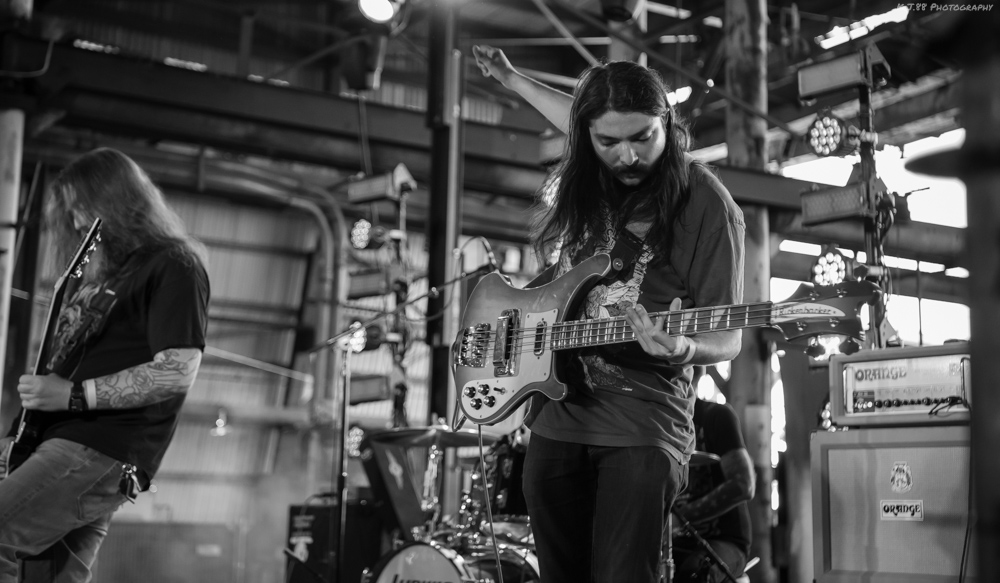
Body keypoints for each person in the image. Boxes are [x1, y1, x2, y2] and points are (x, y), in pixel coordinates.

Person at [472, 46, 746, 583]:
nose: (627, 156)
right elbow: (580, 117)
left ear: (667, 123)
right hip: (558, 415)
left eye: (643, 137)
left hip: (642, 424)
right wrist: (511, 78)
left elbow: (730, 334)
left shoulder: (705, 204)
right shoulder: (591, 173)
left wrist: (685, 348)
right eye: (608, 142)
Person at [0, 148, 210, 582]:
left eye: (83, 207)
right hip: (58, 442)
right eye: (71, 212)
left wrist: (73, 396)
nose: (77, 222)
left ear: (116, 199)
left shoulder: (174, 263)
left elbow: (177, 370)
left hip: (97, 446)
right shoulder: (104, 273)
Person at [671, 394, 755, 582]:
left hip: (724, 541)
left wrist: (679, 518)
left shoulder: (716, 416)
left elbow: (743, 485)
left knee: (695, 573)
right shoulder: (658, 425)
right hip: (673, 542)